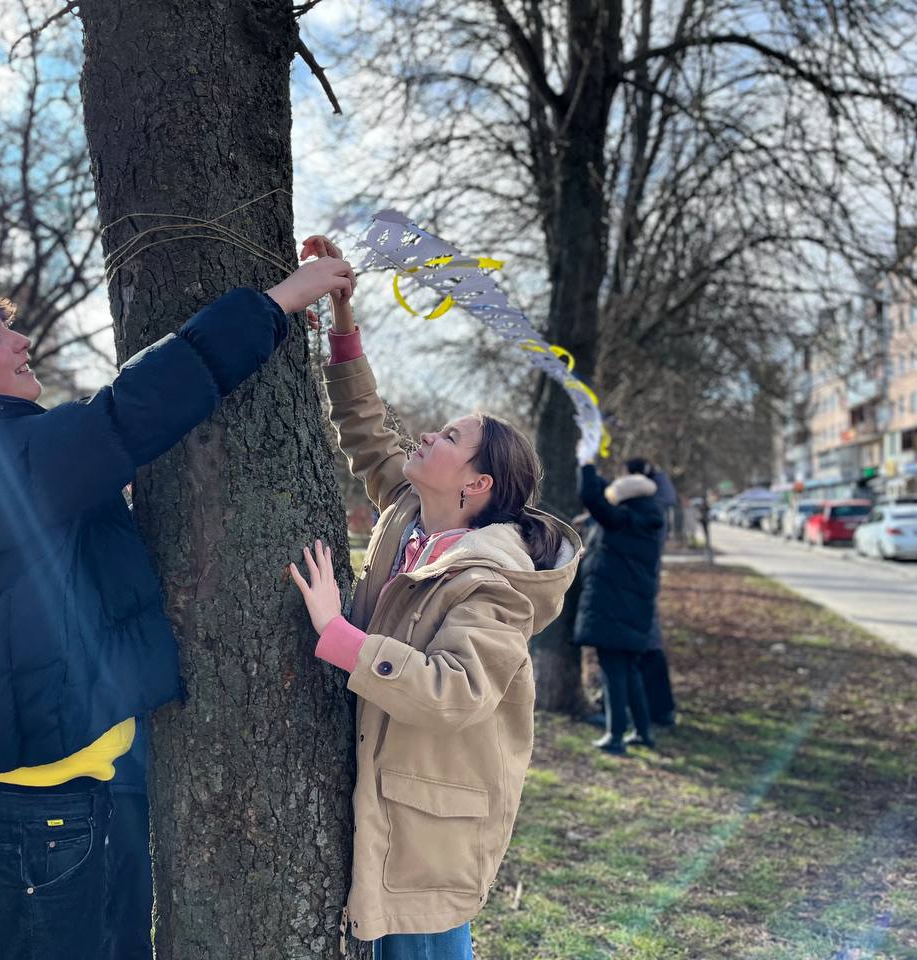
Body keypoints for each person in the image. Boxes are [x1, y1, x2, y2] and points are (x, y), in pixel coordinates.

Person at [0, 257, 355, 960]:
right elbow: (135, 410)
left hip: (54, 801)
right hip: (40, 815)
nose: (19, 343)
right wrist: (280, 299)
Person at [288, 235, 581, 958]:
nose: (427, 435)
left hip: (431, 832)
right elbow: (366, 429)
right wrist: (341, 316)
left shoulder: (495, 585)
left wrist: (337, 632)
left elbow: (456, 692)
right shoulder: (410, 515)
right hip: (383, 807)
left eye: (450, 436)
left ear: (475, 485)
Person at [573, 456, 665, 755]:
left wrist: (586, 462)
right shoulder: (646, 518)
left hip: (612, 606)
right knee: (629, 671)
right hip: (632, 608)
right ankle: (642, 731)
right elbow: (599, 494)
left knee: (613, 671)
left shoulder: (624, 519)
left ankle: (614, 734)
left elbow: (593, 497)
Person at [640, 463, 678, 727]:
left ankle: (659, 711)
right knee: (650, 646)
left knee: (649, 648)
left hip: (640, 587)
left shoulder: (648, 510)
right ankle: (659, 710)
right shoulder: (659, 504)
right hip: (645, 584)